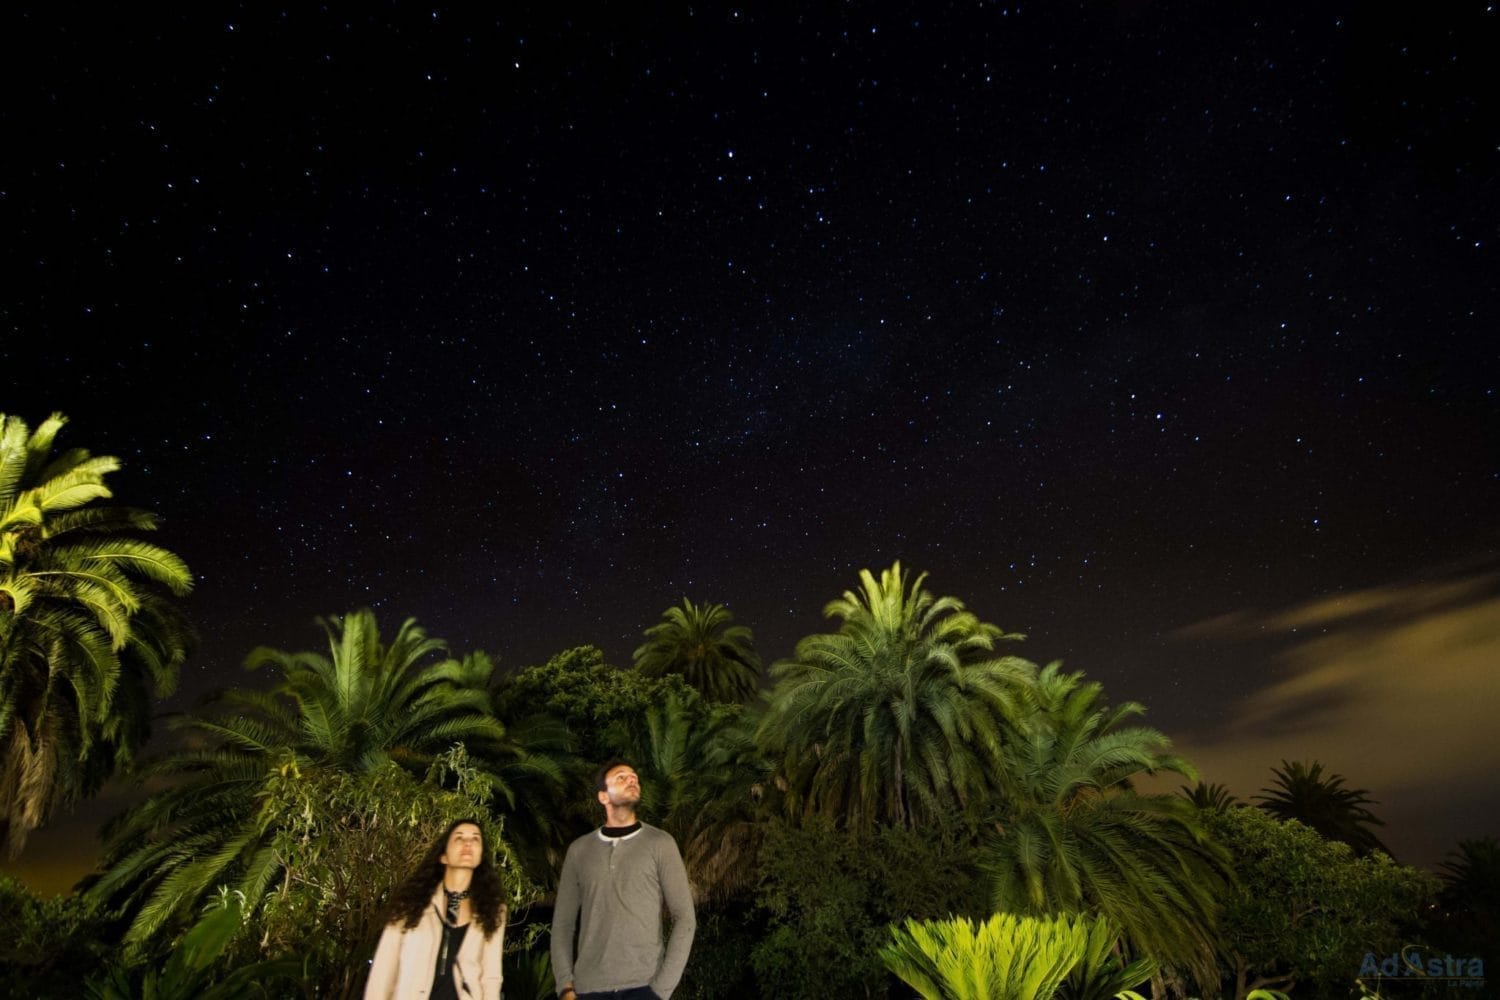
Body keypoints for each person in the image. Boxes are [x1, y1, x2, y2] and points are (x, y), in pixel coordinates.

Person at [551, 760, 696, 1000]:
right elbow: (562, 925)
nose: (631, 779)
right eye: (621, 777)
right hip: (590, 989)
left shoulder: (660, 843)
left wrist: (661, 990)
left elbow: (685, 918)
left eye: (634, 776)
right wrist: (565, 986)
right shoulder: (579, 851)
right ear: (603, 797)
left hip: (644, 986)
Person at [365, 818, 507, 1000]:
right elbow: (384, 969)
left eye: (475, 839)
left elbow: (491, 976)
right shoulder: (411, 903)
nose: (468, 843)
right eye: (459, 838)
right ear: (444, 856)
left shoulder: (493, 909)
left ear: (480, 857)